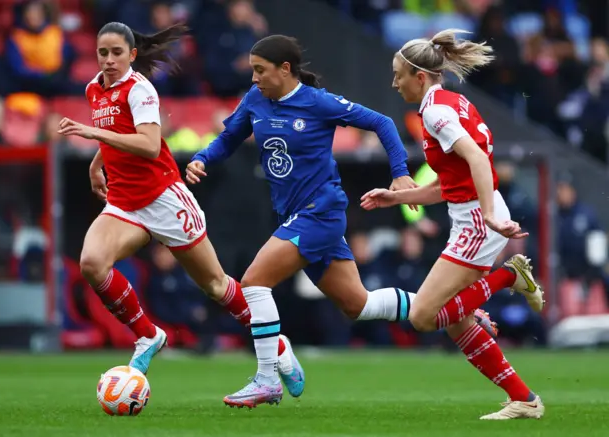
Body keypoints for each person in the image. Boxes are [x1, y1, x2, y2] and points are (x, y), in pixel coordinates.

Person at [186, 34, 496, 409]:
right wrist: (203, 157)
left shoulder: (318, 103)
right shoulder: (255, 100)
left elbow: (381, 122)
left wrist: (399, 173)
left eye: (260, 70)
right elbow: (229, 137)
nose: (254, 79)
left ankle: (268, 377)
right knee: (357, 305)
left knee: (253, 282)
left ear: (285, 69)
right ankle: (455, 311)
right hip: (296, 214)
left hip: (320, 212)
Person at [56, 22, 303, 390]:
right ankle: (147, 336)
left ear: (132, 55)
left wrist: (94, 134)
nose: (108, 60)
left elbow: (150, 145)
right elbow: (116, 136)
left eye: (117, 53)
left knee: (218, 286)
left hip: (164, 199)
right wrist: (97, 163)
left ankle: (277, 347)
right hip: (125, 202)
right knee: (92, 263)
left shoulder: (140, 90)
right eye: (102, 53)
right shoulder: (95, 88)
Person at [360, 29, 545, 420]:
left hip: (478, 221)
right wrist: (398, 197)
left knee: (423, 316)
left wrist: (491, 219)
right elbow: (450, 183)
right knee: (456, 321)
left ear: (420, 77)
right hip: (477, 215)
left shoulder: (434, 112)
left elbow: (478, 160)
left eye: (398, 75)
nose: (394, 83)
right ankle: (524, 399)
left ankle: (509, 277)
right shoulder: (453, 102)